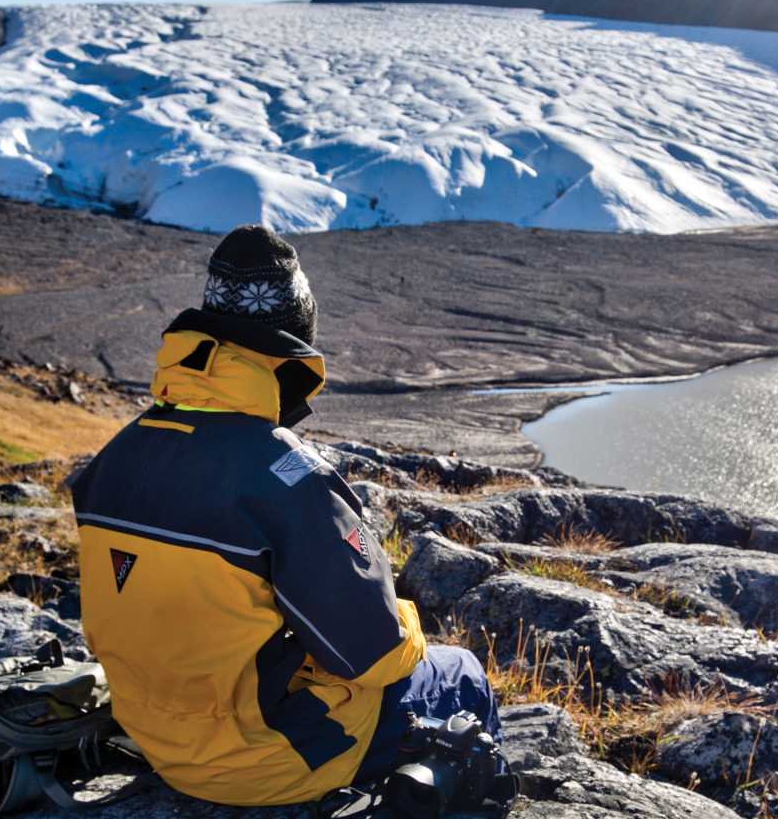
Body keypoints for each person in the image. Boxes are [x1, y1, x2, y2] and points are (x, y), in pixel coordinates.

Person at [68, 225, 501, 807]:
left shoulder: (117, 455)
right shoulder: (286, 478)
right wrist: (406, 618)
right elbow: (375, 655)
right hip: (264, 760)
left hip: (156, 741)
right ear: (294, 341)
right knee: (461, 672)